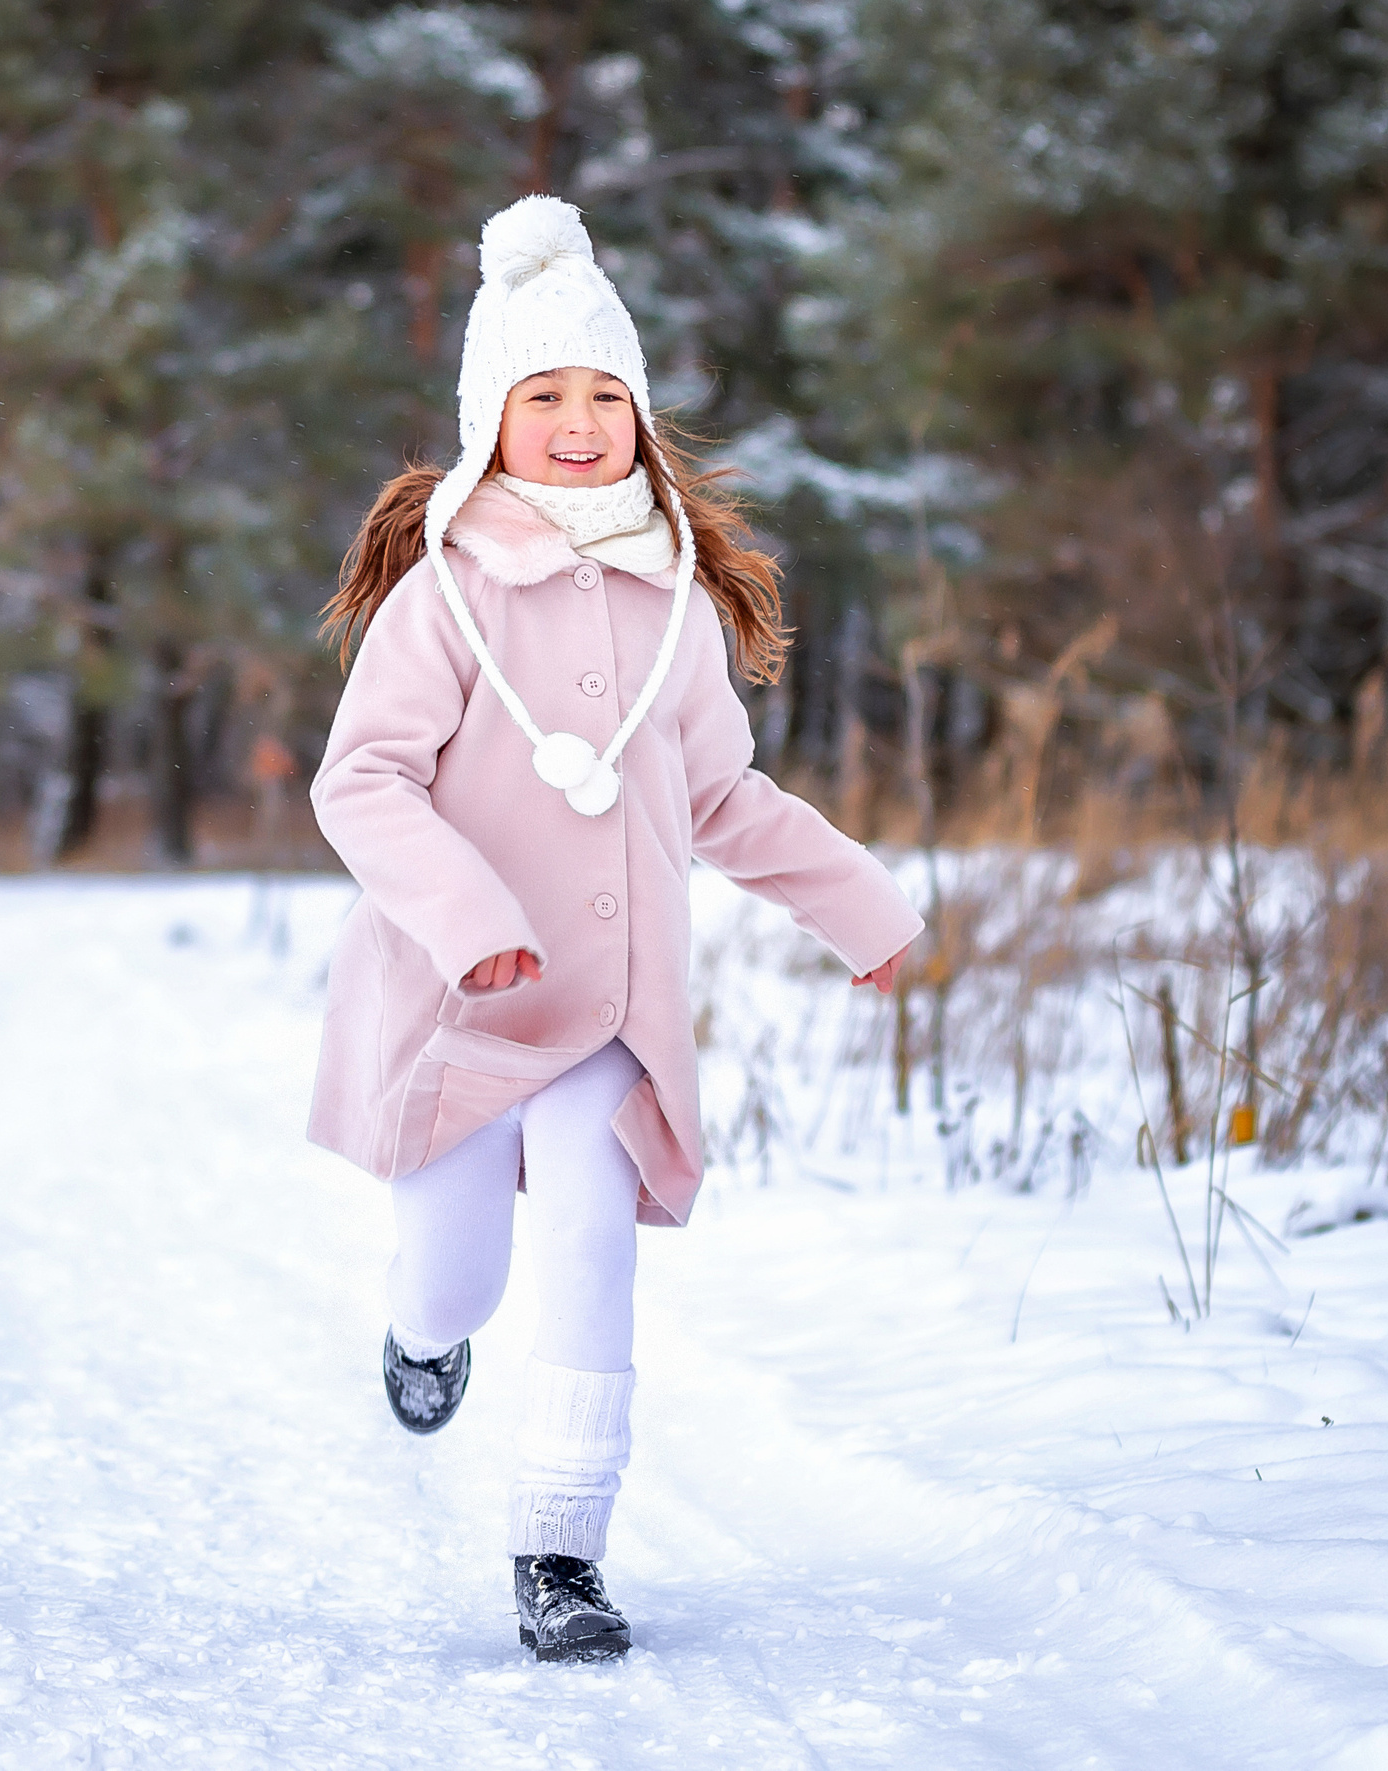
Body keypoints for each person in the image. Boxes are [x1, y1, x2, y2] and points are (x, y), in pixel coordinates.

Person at [307, 196, 923, 1663]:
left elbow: (717, 795)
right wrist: (468, 921)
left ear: (640, 416)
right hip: (458, 1011)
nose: (579, 425)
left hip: (606, 1014)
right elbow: (362, 781)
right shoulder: (446, 595)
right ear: (490, 421)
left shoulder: (673, 603)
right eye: (545, 398)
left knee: (592, 1248)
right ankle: (421, 1334)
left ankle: (562, 1552)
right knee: (460, 1274)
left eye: (605, 396)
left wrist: (857, 903)